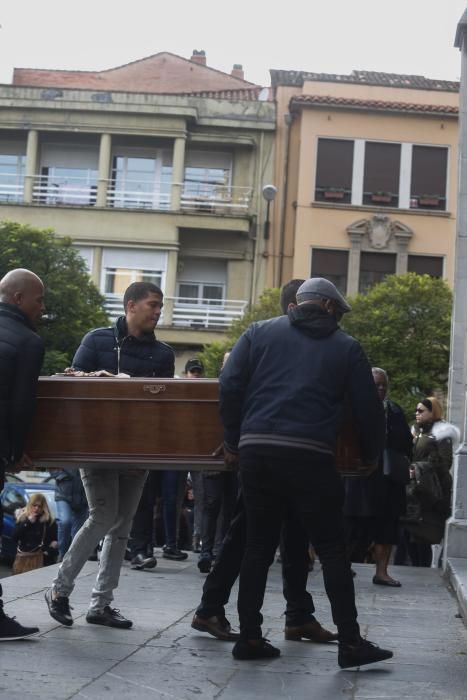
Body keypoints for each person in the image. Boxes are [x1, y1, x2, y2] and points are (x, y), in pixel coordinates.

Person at [219, 276, 393, 669]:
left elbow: (229, 385)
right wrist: (370, 455)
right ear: (329, 308)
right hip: (311, 455)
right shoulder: (345, 346)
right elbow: (368, 409)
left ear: (299, 302)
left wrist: (234, 439)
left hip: (258, 451)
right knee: (331, 549)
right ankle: (350, 642)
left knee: (258, 548)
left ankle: (249, 637)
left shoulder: (258, 332)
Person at [192, 280, 337, 644]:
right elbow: (234, 387)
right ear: (295, 307)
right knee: (250, 533)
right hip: (268, 451)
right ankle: (215, 608)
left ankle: (297, 614)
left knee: (285, 534)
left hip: (260, 450)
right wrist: (234, 439)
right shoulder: (275, 341)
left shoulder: (267, 341)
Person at [45, 281, 174, 629]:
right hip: (96, 444)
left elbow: (162, 408)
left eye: (160, 306)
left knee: (122, 526)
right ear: (130, 305)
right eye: (153, 305)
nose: (159, 311)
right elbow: (68, 383)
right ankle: (59, 590)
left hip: (137, 449)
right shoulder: (96, 339)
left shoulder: (163, 354)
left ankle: (101, 604)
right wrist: (94, 378)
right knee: (103, 516)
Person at [0, 268, 45, 641]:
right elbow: (21, 405)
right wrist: (16, 451)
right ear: (18, 298)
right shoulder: (28, 341)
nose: (41, 308)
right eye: (39, 299)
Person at [344, 368, 413, 586]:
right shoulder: (352, 408)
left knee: (387, 526)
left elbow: (405, 443)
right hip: (359, 477)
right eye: (376, 385)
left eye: (384, 385)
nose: (381, 389)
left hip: (388, 478)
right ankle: (343, 567)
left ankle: (381, 572)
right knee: (351, 527)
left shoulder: (394, 411)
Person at [400, 397, 459, 567]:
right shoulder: (418, 432)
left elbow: (445, 462)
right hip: (415, 488)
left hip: (432, 491)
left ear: (433, 412)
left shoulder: (441, 433)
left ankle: (423, 570)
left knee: (424, 534)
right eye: (416, 410)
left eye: (421, 411)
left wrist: (419, 467)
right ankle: (415, 568)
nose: (417, 413)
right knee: (410, 531)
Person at [185, 358, 206, 553]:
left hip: (199, 455)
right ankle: (173, 542)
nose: (196, 375)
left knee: (202, 499)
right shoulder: (180, 393)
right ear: (186, 374)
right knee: (169, 500)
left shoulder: (206, 395)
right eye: (193, 372)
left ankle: (198, 538)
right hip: (179, 454)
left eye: (198, 372)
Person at [13, 493, 58, 574]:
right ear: (30, 505)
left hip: (42, 561)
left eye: (40, 506)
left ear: (44, 507)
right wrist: (28, 522)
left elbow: (55, 541)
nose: (36, 508)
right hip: (23, 559)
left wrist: (47, 552)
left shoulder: (48, 521)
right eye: (34, 505)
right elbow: (15, 537)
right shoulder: (23, 518)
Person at [54, 469, 88, 560]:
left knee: (78, 531)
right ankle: (62, 553)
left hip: (82, 496)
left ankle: (72, 557)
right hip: (63, 493)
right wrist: (59, 474)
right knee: (65, 521)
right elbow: (51, 466)